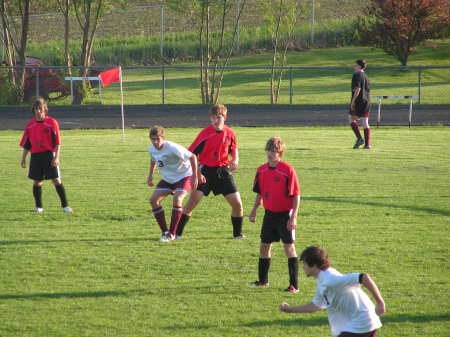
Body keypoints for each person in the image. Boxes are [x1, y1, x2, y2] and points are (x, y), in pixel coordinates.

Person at [280, 246, 385, 337]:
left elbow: (364, 277)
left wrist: (380, 302)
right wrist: (289, 309)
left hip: (360, 323)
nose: (303, 267)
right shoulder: (323, 279)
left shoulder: (331, 279)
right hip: (364, 322)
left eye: (305, 264)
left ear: (314, 265)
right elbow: (316, 306)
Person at [175, 104, 245, 239]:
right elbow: (190, 154)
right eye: (213, 118)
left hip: (223, 172)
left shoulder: (230, 133)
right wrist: (198, 174)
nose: (215, 121)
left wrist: (236, 158)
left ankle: (237, 234)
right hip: (205, 173)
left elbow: (233, 148)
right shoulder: (205, 134)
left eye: (218, 117)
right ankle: (177, 234)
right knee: (191, 204)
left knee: (237, 204)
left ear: (225, 117)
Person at [249, 137, 301, 293]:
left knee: (289, 248)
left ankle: (294, 285)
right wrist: (254, 210)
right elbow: (259, 193)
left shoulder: (287, 170)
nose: (271, 154)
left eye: (274, 151)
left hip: (285, 215)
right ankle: (263, 281)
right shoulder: (261, 170)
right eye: (269, 150)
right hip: (269, 214)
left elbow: (296, 195)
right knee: (264, 246)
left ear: (280, 153)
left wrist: (293, 217)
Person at [19, 97, 73, 213]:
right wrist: (23, 159)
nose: (38, 111)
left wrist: (56, 157)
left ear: (45, 110)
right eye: (36, 109)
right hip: (35, 156)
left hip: (49, 155)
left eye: (40, 109)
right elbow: (27, 145)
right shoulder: (30, 125)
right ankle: (39, 207)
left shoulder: (52, 123)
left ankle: (65, 206)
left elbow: (58, 142)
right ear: (33, 110)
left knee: (56, 180)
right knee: (37, 182)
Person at [147, 126, 199, 242]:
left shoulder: (172, 147)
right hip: (169, 179)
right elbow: (153, 160)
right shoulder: (151, 149)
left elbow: (193, 157)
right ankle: (165, 232)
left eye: (157, 139)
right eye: (153, 139)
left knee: (178, 198)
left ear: (163, 138)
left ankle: (172, 233)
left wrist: (195, 176)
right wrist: (150, 175)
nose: (155, 142)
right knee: (153, 200)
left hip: (185, 176)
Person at [349, 59, 372, 149]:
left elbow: (358, 89)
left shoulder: (357, 74)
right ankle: (367, 145)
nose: (354, 66)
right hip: (367, 101)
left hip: (359, 101)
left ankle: (359, 139)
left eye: (355, 65)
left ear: (359, 66)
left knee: (351, 119)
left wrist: (353, 101)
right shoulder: (365, 76)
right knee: (365, 122)